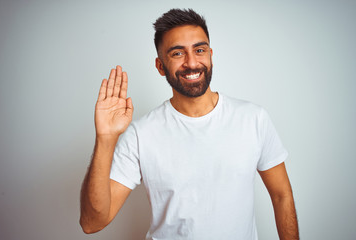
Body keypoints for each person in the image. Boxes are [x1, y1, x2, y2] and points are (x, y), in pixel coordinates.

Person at [80, 8, 299, 240]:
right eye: (177, 54)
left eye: (199, 50)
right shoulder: (141, 135)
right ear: (160, 65)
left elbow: (281, 195)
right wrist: (105, 139)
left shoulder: (253, 118)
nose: (192, 62)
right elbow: (92, 223)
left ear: (211, 54)